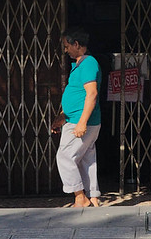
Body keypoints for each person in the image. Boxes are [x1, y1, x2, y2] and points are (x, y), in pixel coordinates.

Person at [50, 28, 103, 207]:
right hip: (77, 119)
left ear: (77, 45)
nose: (66, 50)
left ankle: (80, 197)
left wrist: (81, 122)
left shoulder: (88, 64)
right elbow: (80, 96)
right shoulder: (82, 64)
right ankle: (93, 196)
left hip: (81, 121)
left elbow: (92, 94)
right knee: (86, 158)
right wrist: (63, 116)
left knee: (65, 156)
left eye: (67, 46)